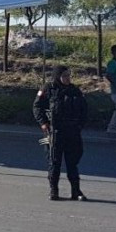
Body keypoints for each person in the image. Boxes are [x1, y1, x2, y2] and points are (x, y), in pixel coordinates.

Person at [33, 66, 88, 201]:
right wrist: (44, 123)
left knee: (72, 162)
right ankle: (54, 190)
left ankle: (76, 190)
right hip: (54, 132)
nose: (67, 78)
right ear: (58, 76)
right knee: (54, 162)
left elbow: (84, 109)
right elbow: (37, 107)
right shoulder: (48, 89)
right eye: (64, 76)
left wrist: (80, 125)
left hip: (72, 131)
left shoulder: (75, 91)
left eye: (69, 76)